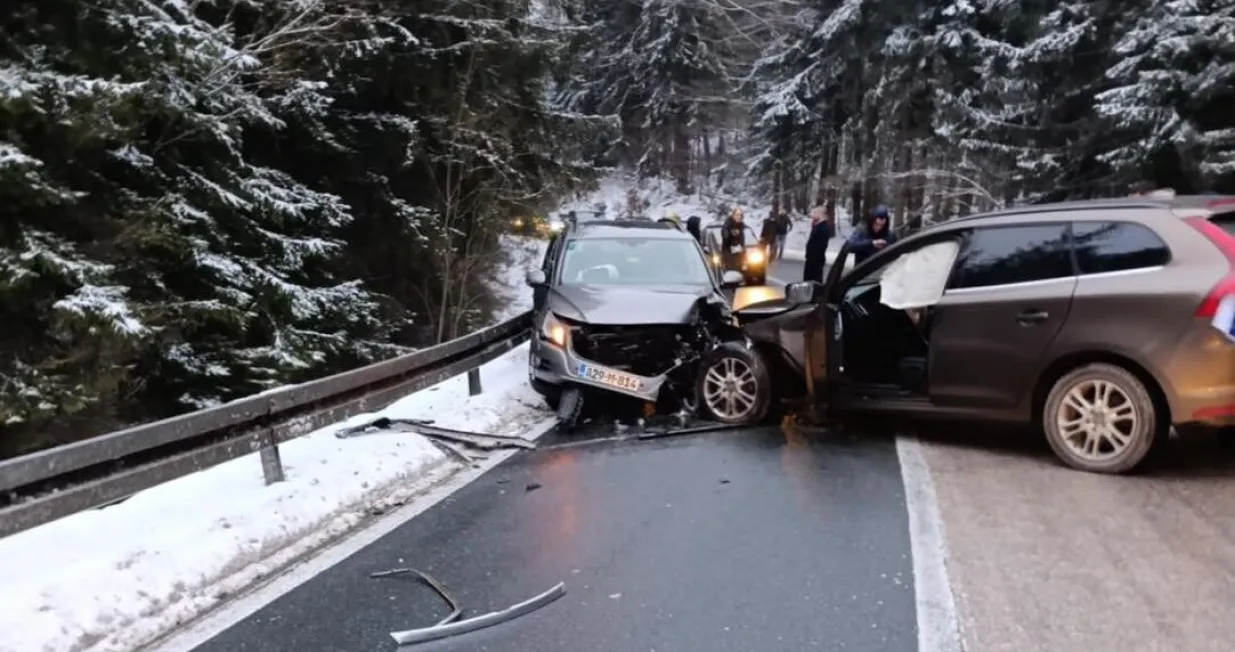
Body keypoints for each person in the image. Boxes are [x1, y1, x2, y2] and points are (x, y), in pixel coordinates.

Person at [802, 211, 834, 283]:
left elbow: (820, 245)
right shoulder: (819, 228)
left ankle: (816, 291)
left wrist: (811, 253)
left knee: (814, 278)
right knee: (811, 277)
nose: (812, 222)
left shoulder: (821, 229)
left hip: (815, 258)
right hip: (812, 257)